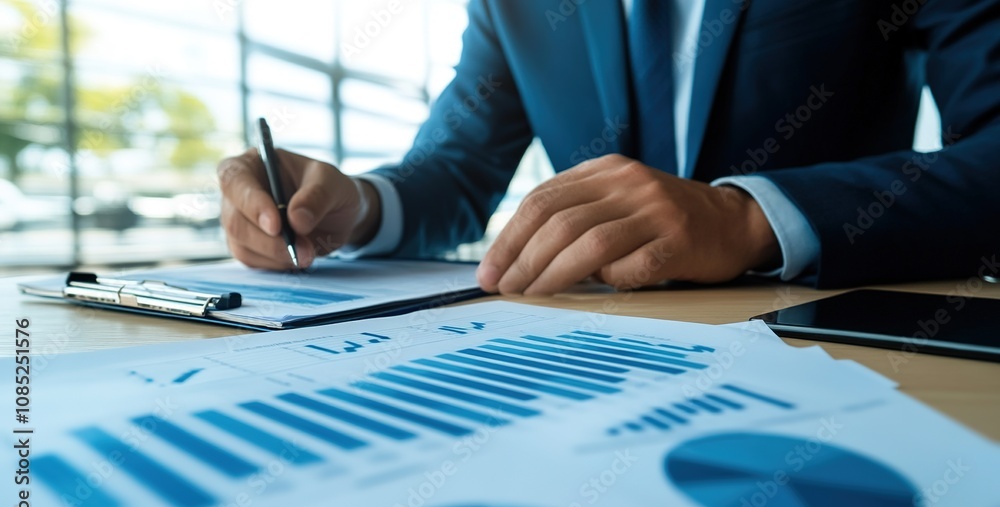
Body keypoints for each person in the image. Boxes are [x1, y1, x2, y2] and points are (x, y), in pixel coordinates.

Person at [218, 0, 1000, 293]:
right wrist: (354, 206)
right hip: (595, 344)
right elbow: (456, 171)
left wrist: (744, 220)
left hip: (831, 344)